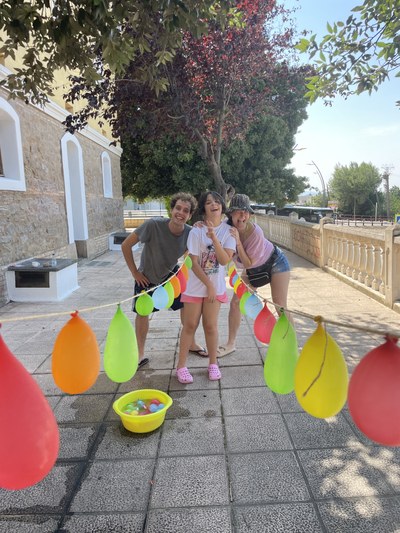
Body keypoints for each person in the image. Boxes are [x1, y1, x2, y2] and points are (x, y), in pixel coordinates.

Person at [121, 192, 207, 368]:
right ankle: (140, 352)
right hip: (146, 277)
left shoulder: (190, 233)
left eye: (186, 211)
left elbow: (193, 254)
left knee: (186, 306)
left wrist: (201, 228)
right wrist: (135, 273)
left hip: (171, 276)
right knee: (143, 313)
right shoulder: (153, 225)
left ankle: (191, 343)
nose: (180, 213)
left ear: (190, 215)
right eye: (178, 208)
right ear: (171, 209)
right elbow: (125, 245)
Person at [218, 193, 291, 357]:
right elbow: (213, 231)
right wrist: (201, 225)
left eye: (246, 212)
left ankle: (290, 344)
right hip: (254, 270)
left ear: (250, 214)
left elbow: (247, 263)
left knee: (280, 305)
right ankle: (231, 343)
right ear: (231, 214)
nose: (242, 215)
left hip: (275, 263)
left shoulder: (255, 232)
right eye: (238, 211)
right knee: (236, 301)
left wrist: (237, 241)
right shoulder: (225, 228)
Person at [176, 191, 236, 384]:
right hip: (195, 287)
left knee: (210, 326)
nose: (214, 204)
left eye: (217, 201)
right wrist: (208, 284)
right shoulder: (195, 231)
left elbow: (224, 259)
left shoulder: (229, 232)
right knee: (190, 325)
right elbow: (193, 262)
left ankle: (213, 363)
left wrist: (214, 237)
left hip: (215, 288)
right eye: (209, 202)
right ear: (203, 208)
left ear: (222, 206)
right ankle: (181, 366)